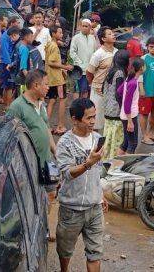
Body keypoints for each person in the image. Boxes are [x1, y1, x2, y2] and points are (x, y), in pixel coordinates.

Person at [55, 98, 106, 272]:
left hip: (95, 208)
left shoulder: (98, 139)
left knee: (95, 253)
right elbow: (67, 174)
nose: (93, 121)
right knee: (65, 250)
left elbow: (98, 172)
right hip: (71, 209)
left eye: (94, 117)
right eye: (88, 118)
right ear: (75, 119)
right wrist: (87, 163)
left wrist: (100, 194)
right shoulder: (65, 143)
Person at [7, 69, 55, 173]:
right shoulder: (17, 107)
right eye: (46, 84)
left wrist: (55, 152)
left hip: (46, 163)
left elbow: (46, 128)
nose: (48, 87)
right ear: (36, 85)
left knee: (51, 189)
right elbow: (9, 139)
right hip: (28, 168)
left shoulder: (41, 104)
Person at [100, 49, 130, 159]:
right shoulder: (120, 73)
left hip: (108, 109)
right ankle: (113, 160)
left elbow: (103, 89)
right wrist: (124, 109)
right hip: (116, 111)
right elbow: (119, 93)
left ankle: (105, 158)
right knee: (117, 138)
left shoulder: (111, 70)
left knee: (108, 137)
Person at [86, 26, 116, 133]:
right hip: (98, 91)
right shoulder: (98, 54)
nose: (113, 35)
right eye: (109, 34)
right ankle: (94, 146)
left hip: (112, 91)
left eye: (112, 33)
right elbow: (89, 72)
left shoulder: (116, 52)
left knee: (110, 120)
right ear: (103, 39)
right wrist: (94, 85)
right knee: (96, 121)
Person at [44, 25, 72, 134]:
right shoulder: (54, 46)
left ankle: (46, 126)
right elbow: (51, 62)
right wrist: (65, 67)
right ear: (54, 34)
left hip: (51, 77)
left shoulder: (50, 44)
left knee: (51, 100)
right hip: (57, 79)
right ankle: (60, 126)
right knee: (62, 100)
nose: (61, 35)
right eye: (59, 33)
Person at [120, 58, 143, 156]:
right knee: (132, 144)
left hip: (125, 115)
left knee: (126, 143)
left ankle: (116, 164)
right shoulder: (133, 83)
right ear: (141, 68)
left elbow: (119, 91)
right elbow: (127, 103)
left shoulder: (128, 80)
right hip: (130, 116)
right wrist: (130, 121)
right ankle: (125, 167)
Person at [69, 18, 97, 98]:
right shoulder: (76, 38)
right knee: (78, 90)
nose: (84, 28)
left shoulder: (92, 38)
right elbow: (72, 52)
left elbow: (95, 52)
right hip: (79, 70)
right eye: (83, 26)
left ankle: (85, 108)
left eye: (86, 26)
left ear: (90, 27)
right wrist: (79, 63)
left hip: (90, 70)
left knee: (87, 90)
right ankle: (77, 108)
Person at [0, 26, 21, 107]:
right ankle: (8, 106)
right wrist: (10, 64)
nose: (11, 39)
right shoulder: (17, 43)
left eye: (12, 37)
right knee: (9, 87)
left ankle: (7, 106)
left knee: (8, 86)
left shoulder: (18, 44)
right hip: (9, 65)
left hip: (9, 64)